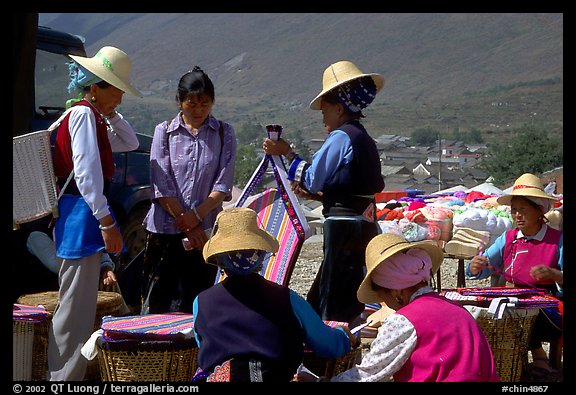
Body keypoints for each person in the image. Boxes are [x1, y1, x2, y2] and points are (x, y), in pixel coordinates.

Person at [263, 60, 385, 324]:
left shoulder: (342, 137)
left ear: (339, 108)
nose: (322, 117)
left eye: (325, 110)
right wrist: (316, 196)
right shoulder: (362, 138)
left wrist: (287, 152)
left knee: (334, 295)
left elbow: (312, 178)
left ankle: (331, 350)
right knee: (347, 288)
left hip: (343, 230)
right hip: (362, 226)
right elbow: (351, 190)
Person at [48, 46, 141, 381]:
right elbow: (87, 174)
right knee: (74, 309)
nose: (120, 96)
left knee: (79, 305)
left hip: (79, 218)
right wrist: (107, 222)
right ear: (96, 86)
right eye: (115, 88)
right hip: (82, 219)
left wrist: (111, 113)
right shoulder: (84, 116)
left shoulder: (89, 115)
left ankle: (66, 374)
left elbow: (129, 141)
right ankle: (61, 378)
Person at [300, 233, 500, 382]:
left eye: (382, 296)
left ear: (396, 291)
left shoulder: (404, 320)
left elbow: (369, 374)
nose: (385, 303)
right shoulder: (457, 308)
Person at [192, 207, 357, 382]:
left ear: (218, 259)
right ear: (261, 255)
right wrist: (345, 337)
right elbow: (328, 345)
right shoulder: (287, 299)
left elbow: (204, 344)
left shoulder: (201, 302)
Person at [141, 66, 237, 314]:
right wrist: (188, 224)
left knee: (198, 300)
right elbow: (161, 185)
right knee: (159, 301)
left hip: (204, 234)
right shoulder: (164, 132)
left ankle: (193, 352)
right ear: (180, 102)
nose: (198, 110)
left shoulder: (224, 133)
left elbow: (223, 184)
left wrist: (196, 218)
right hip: (165, 231)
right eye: (191, 104)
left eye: (204, 104)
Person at [466, 172, 563, 380]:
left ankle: (538, 356)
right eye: (514, 210)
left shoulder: (557, 241)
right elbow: (487, 265)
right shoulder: (508, 238)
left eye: (523, 210)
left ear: (540, 210)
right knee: (481, 311)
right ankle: (501, 360)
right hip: (514, 299)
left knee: (523, 312)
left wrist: (555, 275)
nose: (517, 215)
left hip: (549, 306)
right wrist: (475, 266)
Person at [26, 231, 117, 287]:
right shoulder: (36, 235)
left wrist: (106, 267)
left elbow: (94, 245)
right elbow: (60, 266)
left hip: (85, 268)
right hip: (55, 282)